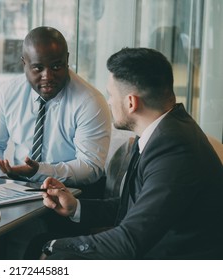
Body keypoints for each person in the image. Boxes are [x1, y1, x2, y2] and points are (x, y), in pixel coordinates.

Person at [33, 47, 223, 259]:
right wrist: (76, 207)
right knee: (40, 243)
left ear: (131, 102)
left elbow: (130, 240)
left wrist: (54, 247)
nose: (109, 101)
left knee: (51, 254)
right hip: (154, 249)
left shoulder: (175, 148)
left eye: (111, 95)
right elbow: (135, 208)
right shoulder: (160, 132)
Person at [0, 26, 111, 197]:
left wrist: (39, 171)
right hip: (19, 187)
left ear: (67, 60)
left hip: (73, 193)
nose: (47, 76)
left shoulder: (89, 102)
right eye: (38, 68)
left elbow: (90, 167)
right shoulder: (8, 93)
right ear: (24, 63)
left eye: (56, 66)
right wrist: (0, 176)